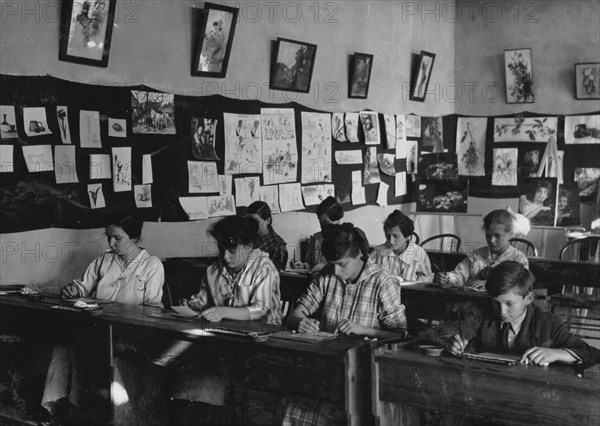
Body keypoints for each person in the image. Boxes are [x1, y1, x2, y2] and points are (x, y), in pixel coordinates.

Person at [41, 213, 164, 421]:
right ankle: (62, 409)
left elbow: (153, 309)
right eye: (108, 237)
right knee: (63, 349)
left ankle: (97, 413)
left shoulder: (151, 265)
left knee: (96, 355)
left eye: (117, 238)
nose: (111, 242)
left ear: (134, 238)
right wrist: (74, 289)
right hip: (97, 327)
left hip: (130, 334)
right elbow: (83, 284)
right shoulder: (104, 259)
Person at [284, 224, 406, 425]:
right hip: (328, 368)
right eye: (331, 264)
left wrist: (363, 330)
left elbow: (400, 335)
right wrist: (301, 321)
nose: (335, 270)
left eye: (342, 264)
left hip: (365, 376)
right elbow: (295, 314)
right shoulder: (327, 275)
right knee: (292, 407)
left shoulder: (382, 281)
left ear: (359, 254)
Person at [444, 261, 600, 368]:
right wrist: (453, 342)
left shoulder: (548, 323)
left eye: (509, 304)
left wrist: (556, 353)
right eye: (496, 303)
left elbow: (592, 354)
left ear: (529, 298)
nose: (501, 312)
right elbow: (451, 331)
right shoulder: (482, 314)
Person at [183, 215, 282, 325]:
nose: (225, 256)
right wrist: (191, 305)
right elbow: (201, 301)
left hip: (265, 335)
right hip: (228, 332)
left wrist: (223, 312)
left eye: (232, 251)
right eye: (222, 249)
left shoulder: (263, 267)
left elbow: (262, 309)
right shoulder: (214, 270)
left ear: (249, 246)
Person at [435, 209, 528, 290]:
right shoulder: (477, 255)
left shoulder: (518, 259)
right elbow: (459, 274)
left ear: (510, 234)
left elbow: (521, 285)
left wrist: (491, 284)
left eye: (497, 236)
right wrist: (448, 279)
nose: (492, 240)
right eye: (488, 235)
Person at [369, 210, 433, 282]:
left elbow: (428, 280)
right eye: (388, 235)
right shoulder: (377, 252)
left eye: (396, 236)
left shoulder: (419, 254)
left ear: (408, 236)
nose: (391, 241)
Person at [293, 196, 343, 270]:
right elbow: (309, 263)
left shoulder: (346, 239)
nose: (322, 226)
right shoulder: (316, 238)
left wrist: (326, 268)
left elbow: (347, 268)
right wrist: (303, 266)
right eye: (320, 222)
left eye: (326, 222)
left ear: (338, 220)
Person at [246, 201, 288, 270]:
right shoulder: (247, 237)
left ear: (267, 220)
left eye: (255, 222)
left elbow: (273, 276)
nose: (251, 225)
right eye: (248, 221)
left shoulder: (277, 245)